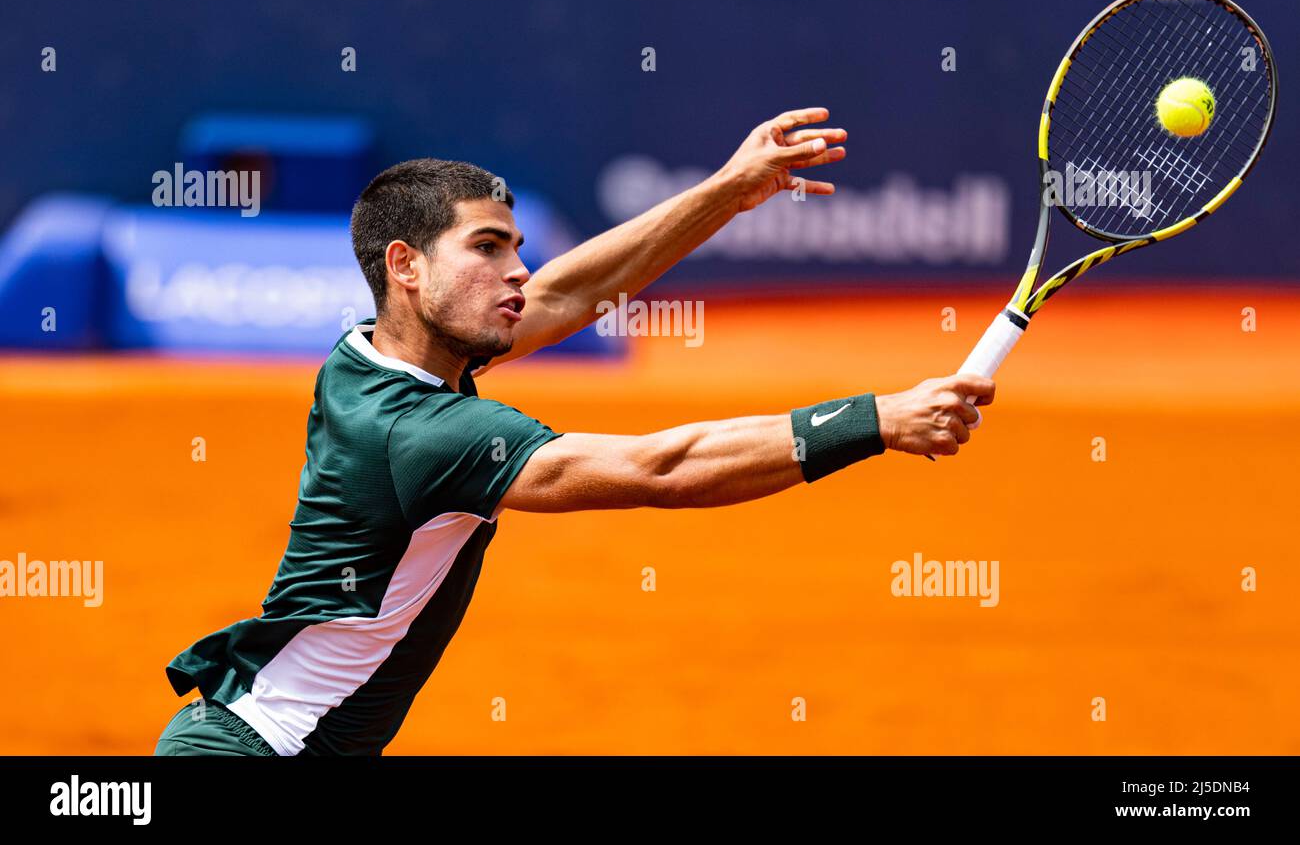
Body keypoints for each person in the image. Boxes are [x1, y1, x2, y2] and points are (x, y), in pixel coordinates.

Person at [154, 108, 993, 756]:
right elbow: (663, 468)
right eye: (487, 248)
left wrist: (732, 189)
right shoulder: (425, 433)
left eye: (515, 247)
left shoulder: (371, 354)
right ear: (405, 267)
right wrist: (874, 419)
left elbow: (561, 297)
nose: (518, 269)